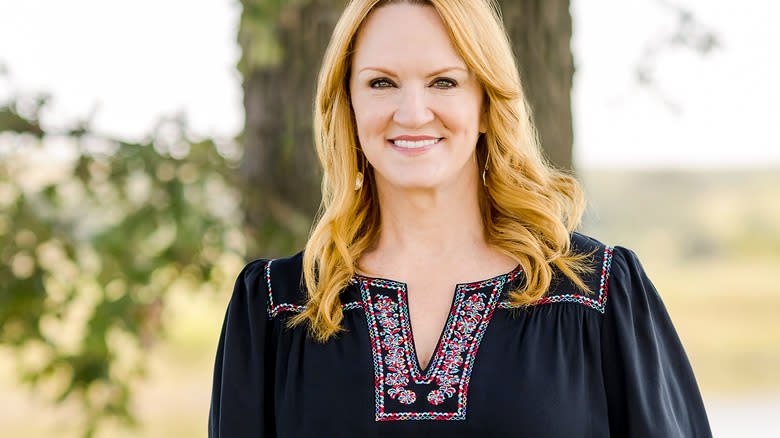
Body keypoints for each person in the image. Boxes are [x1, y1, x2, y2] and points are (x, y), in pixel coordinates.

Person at [209, 0, 713, 436]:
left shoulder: (596, 294)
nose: (412, 113)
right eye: (381, 82)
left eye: (444, 82)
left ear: (487, 103)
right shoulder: (276, 308)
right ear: (349, 104)